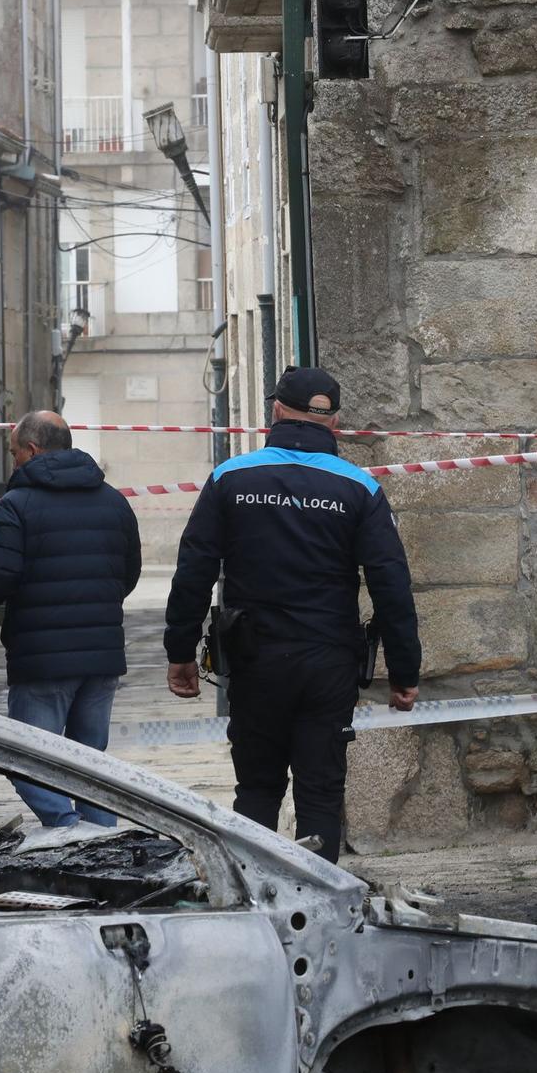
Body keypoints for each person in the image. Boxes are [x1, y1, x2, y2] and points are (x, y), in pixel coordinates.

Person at [164, 366, 420, 863]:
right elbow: (391, 583)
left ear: (277, 410)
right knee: (320, 791)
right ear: (334, 421)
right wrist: (404, 670)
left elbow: (193, 569)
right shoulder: (359, 488)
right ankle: (317, 904)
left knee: (256, 789)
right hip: (329, 660)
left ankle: (253, 901)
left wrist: (180, 652)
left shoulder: (230, 478)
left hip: (254, 657)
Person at [0, 410, 141, 827]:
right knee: (90, 763)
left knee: (28, 759)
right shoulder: (114, 500)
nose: (12, 464)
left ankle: (68, 829)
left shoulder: (18, 504)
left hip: (42, 657)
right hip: (101, 658)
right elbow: (128, 572)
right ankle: (103, 843)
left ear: (31, 449)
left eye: (13, 453)